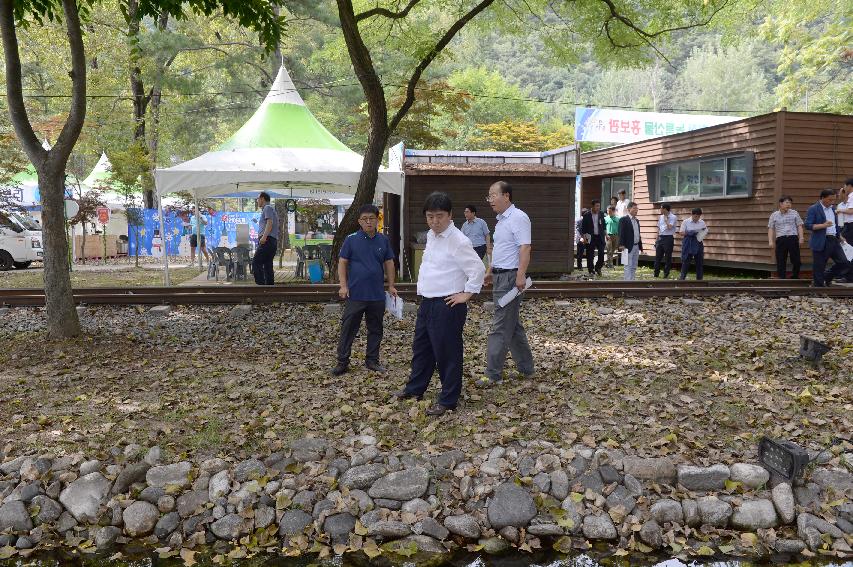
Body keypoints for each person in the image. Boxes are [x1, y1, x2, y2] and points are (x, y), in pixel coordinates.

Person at [395, 192, 485, 416]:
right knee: (422, 348)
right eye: (430, 216)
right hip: (428, 301)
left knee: (447, 353)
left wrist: (467, 294)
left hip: (447, 304)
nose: (435, 221)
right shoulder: (432, 236)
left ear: (450, 215)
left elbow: (478, 269)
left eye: (439, 216)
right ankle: (415, 388)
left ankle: (448, 399)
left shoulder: (458, 240)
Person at [478, 180, 535, 387]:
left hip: (511, 278)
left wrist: (520, 275)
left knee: (500, 325)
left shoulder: (518, 217)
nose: (490, 199)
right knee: (512, 325)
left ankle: (492, 374)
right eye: (489, 196)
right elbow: (501, 249)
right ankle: (526, 368)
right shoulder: (501, 221)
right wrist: (490, 270)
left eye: (493, 195)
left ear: (506, 196)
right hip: (501, 276)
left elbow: (525, 248)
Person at [330, 205, 397, 376]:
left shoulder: (383, 240)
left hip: (376, 294)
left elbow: (389, 263)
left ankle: (372, 360)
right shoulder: (351, 239)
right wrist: (343, 286)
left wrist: (391, 285)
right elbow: (342, 262)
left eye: (372, 218)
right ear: (359, 221)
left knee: (375, 328)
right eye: (364, 219)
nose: (368, 222)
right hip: (356, 294)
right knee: (348, 327)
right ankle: (342, 361)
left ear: (377, 220)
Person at [805, 188, 851, 287]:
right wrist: (823, 225)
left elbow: (836, 224)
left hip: (834, 239)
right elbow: (808, 225)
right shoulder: (814, 208)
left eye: (834, 200)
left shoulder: (833, 209)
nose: (832, 202)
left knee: (844, 262)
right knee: (819, 265)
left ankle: (826, 277)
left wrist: (840, 236)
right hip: (821, 240)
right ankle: (818, 288)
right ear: (822, 198)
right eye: (830, 200)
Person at [767, 196, 804, 279]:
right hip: (781, 239)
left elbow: (799, 225)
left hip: (793, 238)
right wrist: (770, 241)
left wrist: (801, 237)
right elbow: (771, 228)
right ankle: (782, 277)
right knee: (780, 259)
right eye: (787, 202)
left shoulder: (794, 213)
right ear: (781, 203)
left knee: (796, 259)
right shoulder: (774, 215)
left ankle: (795, 276)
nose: (789, 204)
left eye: (790, 203)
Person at [253, 192, 278, 285]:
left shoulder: (267, 208)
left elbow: (269, 223)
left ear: (262, 198)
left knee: (256, 262)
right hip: (271, 241)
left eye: (257, 198)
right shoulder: (270, 209)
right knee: (267, 265)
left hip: (267, 240)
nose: (257, 201)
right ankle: (269, 288)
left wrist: (264, 237)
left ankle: (260, 286)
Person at [679, 207, 708, 280]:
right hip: (688, 242)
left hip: (698, 241)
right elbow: (681, 232)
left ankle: (699, 280)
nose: (697, 218)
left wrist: (703, 232)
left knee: (699, 262)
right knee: (686, 261)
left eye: (698, 216)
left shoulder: (702, 222)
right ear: (692, 214)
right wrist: (689, 232)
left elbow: (705, 230)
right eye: (695, 216)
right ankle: (682, 279)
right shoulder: (686, 221)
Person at [618, 202, 643, 280]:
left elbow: (638, 234)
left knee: (634, 266)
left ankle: (632, 281)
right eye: (634, 208)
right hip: (627, 246)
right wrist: (621, 244)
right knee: (627, 265)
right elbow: (621, 232)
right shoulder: (623, 219)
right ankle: (627, 283)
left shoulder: (637, 221)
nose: (636, 210)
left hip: (636, 246)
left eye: (637, 208)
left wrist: (641, 247)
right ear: (629, 209)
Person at [581, 200, 606, 276]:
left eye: (599, 206)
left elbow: (603, 225)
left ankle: (598, 267)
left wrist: (606, 234)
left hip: (600, 236)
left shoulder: (601, 214)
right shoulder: (586, 215)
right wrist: (584, 237)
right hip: (590, 237)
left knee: (601, 253)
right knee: (590, 254)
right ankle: (591, 270)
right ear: (592, 206)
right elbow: (583, 228)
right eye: (596, 206)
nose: (598, 208)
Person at [654, 204, 678, 278]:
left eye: (661, 208)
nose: (660, 210)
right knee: (658, 257)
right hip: (660, 238)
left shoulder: (673, 217)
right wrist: (656, 239)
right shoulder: (660, 217)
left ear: (665, 209)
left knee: (668, 257)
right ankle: (656, 274)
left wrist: (666, 220)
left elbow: (670, 227)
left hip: (668, 238)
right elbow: (659, 228)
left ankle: (666, 274)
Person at [837, 178, 853, 243]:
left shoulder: (852, 196)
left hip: (850, 225)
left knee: (849, 245)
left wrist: (839, 210)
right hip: (847, 225)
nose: (844, 188)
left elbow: (851, 211)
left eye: (845, 186)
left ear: (849, 186)